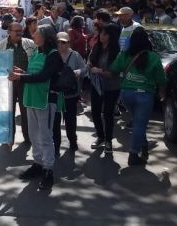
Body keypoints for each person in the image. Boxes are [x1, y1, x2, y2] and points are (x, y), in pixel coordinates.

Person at [7, 24, 64, 190]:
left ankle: (48, 169)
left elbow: (43, 76)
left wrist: (20, 77)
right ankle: (38, 163)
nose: (33, 35)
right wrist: (22, 72)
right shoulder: (36, 53)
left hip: (45, 100)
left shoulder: (53, 55)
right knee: (33, 135)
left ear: (45, 36)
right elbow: (33, 73)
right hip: (31, 99)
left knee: (45, 136)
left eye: (37, 33)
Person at [107, 27, 166, 166]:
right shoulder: (153, 57)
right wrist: (162, 92)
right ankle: (133, 154)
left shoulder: (124, 54)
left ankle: (143, 145)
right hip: (145, 95)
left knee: (139, 122)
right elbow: (161, 79)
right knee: (140, 123)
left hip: (126, 95)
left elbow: (113, 70)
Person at [0, 22, 38, 146]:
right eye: (16, 31)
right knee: (8, 112)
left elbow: (36, 60)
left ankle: (28, 138)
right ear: (8, 32)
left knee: (26, 112)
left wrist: (27, 74)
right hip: (7, 84)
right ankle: (8, 137)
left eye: (20, 31)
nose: (19, 33)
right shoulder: (0, 46)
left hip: (24, 82)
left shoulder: (30, 44)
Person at [88, 24, 122, 153]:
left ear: (109, 36)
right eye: (101, 33)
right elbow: (90, 62)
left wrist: (100, 71)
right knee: (95, 112)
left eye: (104, 33)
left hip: (111, 87)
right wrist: (90, 67)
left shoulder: (116, 51)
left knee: (108, 114)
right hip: (96, 85)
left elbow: (114, 72)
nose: (101, 36)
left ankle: (108, 140)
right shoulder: (96, 47)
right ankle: (100, 136)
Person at [54, 31, 87, 155]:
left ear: (68, 43)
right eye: (58, 42)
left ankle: (72, 140)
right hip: (56, 93)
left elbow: (84, 69)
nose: (60, 45)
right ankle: (56, 145)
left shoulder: (75, 55)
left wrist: (78, 72)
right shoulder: (53, 55)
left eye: (63, 42)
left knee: (70, 120)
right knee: (55, 121)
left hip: (70, 93)